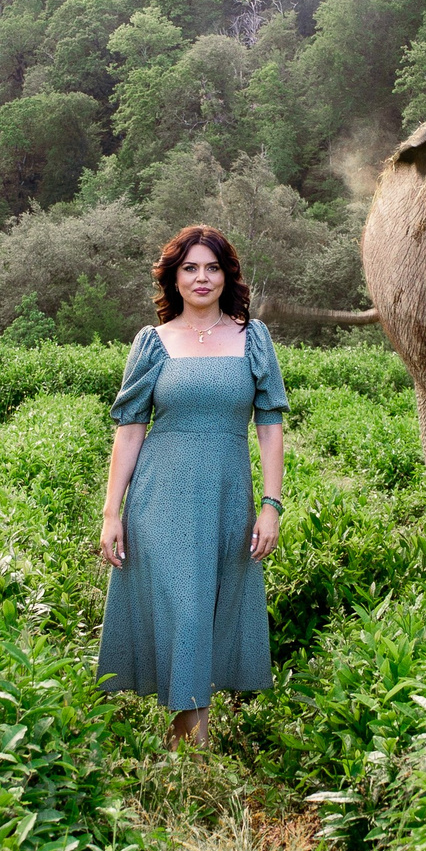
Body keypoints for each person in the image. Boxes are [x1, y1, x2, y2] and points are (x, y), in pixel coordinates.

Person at [96, 225, 288, 749]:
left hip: (229, 498)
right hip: (161, 500)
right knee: (184, 607)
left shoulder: (254, 337)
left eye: (211, 267)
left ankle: (183, 750)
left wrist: (270, 506)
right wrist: (112, 513)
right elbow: (131, 428)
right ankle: (191, 756)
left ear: (227, 276)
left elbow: (269, 428)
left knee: (209, 610)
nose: (201, 278)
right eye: (190, 268)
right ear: (173, 278)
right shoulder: (152, 342)